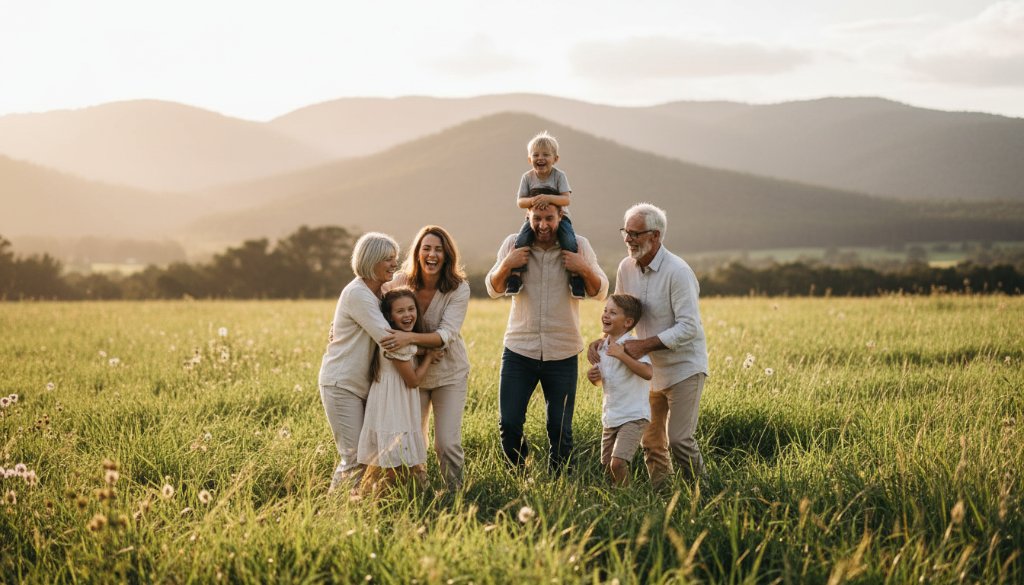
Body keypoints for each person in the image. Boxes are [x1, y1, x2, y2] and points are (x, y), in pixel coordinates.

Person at [589, 203, 709, 487]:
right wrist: (603, 342)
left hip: (683, 368)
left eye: (635, 233)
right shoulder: (625, 267)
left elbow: (690, 327)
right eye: (625, 232)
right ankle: (664, 498)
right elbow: (619, 314)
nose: (628, 239)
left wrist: (645, 345)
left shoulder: (678, 272)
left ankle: (703, 495)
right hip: (643, 372)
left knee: (680, 440)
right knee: (652, 443)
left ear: (655, 236)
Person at [486, 203, 608, 472]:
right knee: (509, 423)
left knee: (560, 427)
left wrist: (582, 267)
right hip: (519, 350)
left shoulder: (578, 245)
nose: (543, 225)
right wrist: (508, 263)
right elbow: (493, 289)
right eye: (537, 218)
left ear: (560, 216)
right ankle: (519, 474)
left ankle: (561, 481)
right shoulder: (513, 244)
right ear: (527, 216)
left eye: (549, 218)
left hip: (562, 351)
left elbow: (601, 290)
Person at [384, 226, 471, 489]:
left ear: (447, 255)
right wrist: (339, 322)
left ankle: (455, 494)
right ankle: (420, 491)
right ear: (418, 253)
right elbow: (369, 299)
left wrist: (409, 339)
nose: (432, 254)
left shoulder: (458, 288)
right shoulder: (400, 280)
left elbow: (447, 334)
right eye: (426, 248)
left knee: (446, 442)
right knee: (413, 439)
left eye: (438, 249)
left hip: (449, 373)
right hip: (413, 373)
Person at [318, 232, 401, 493]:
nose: (394, 264)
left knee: (368, 458)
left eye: (395, 259)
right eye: (388, 259)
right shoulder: (358, 294)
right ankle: (333, 514)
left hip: (361, 386)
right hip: (342, 384)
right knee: (354, 459)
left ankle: (359, 508)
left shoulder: (380, 291)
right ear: (371, 260)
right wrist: (432, 342)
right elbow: (387, 338)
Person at [357, 287, 443, 494]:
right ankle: (385, 497)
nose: (407, 315)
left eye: (411, 309)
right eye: (400, 311)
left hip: (395, 399)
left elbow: (412, 349)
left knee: (398, 454)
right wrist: (429, 358)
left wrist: (423, 350)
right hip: (393, 403)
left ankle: (415, 492)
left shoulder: (401, 340)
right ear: (389, 316)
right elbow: (413, 380)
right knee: (393, 456)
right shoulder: (394, 342)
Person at [506, 132, 585, 299]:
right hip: (532, 219)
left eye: (546, 155)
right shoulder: (527, 178)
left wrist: (548, 198)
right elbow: (520, 202)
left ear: (555, 159)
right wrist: (534, 200)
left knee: (569, 240)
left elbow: (566, 199)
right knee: (521, 240)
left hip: (560, 218)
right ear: (529, 159)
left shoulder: (559, 176)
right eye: (536, 155)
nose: (540, 158)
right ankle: (516, 277)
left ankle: (576, 277)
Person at [586, 294, 653, 487]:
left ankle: (628, 500)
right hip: (611, 417)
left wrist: (622, 356)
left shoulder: (632, 346)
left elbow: (648, 373)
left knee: (618, 463)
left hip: (633, 416)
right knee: (607, 466)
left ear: (628, 322)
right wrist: (594, 379)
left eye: (613, 313)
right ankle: (616, 502)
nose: (606, 315)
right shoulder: (601, 348)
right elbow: (605, 381)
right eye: (605, 310)